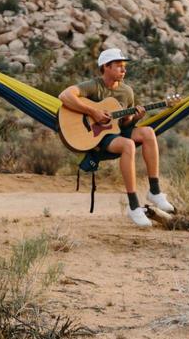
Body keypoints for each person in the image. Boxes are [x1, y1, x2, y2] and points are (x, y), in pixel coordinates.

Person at [59, 48, 175, 227]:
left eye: (124, 66)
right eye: (119, 66)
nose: (124, 70)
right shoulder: (93, 85)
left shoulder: (127, 92)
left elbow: (124, 124)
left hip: (116, 132)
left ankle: (155, 191)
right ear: (106, 67)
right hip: (98, 138)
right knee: (128, 145)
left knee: (148, 132)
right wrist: (93, 112)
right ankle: (134, 205)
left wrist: (135, 117)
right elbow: (64, 95)